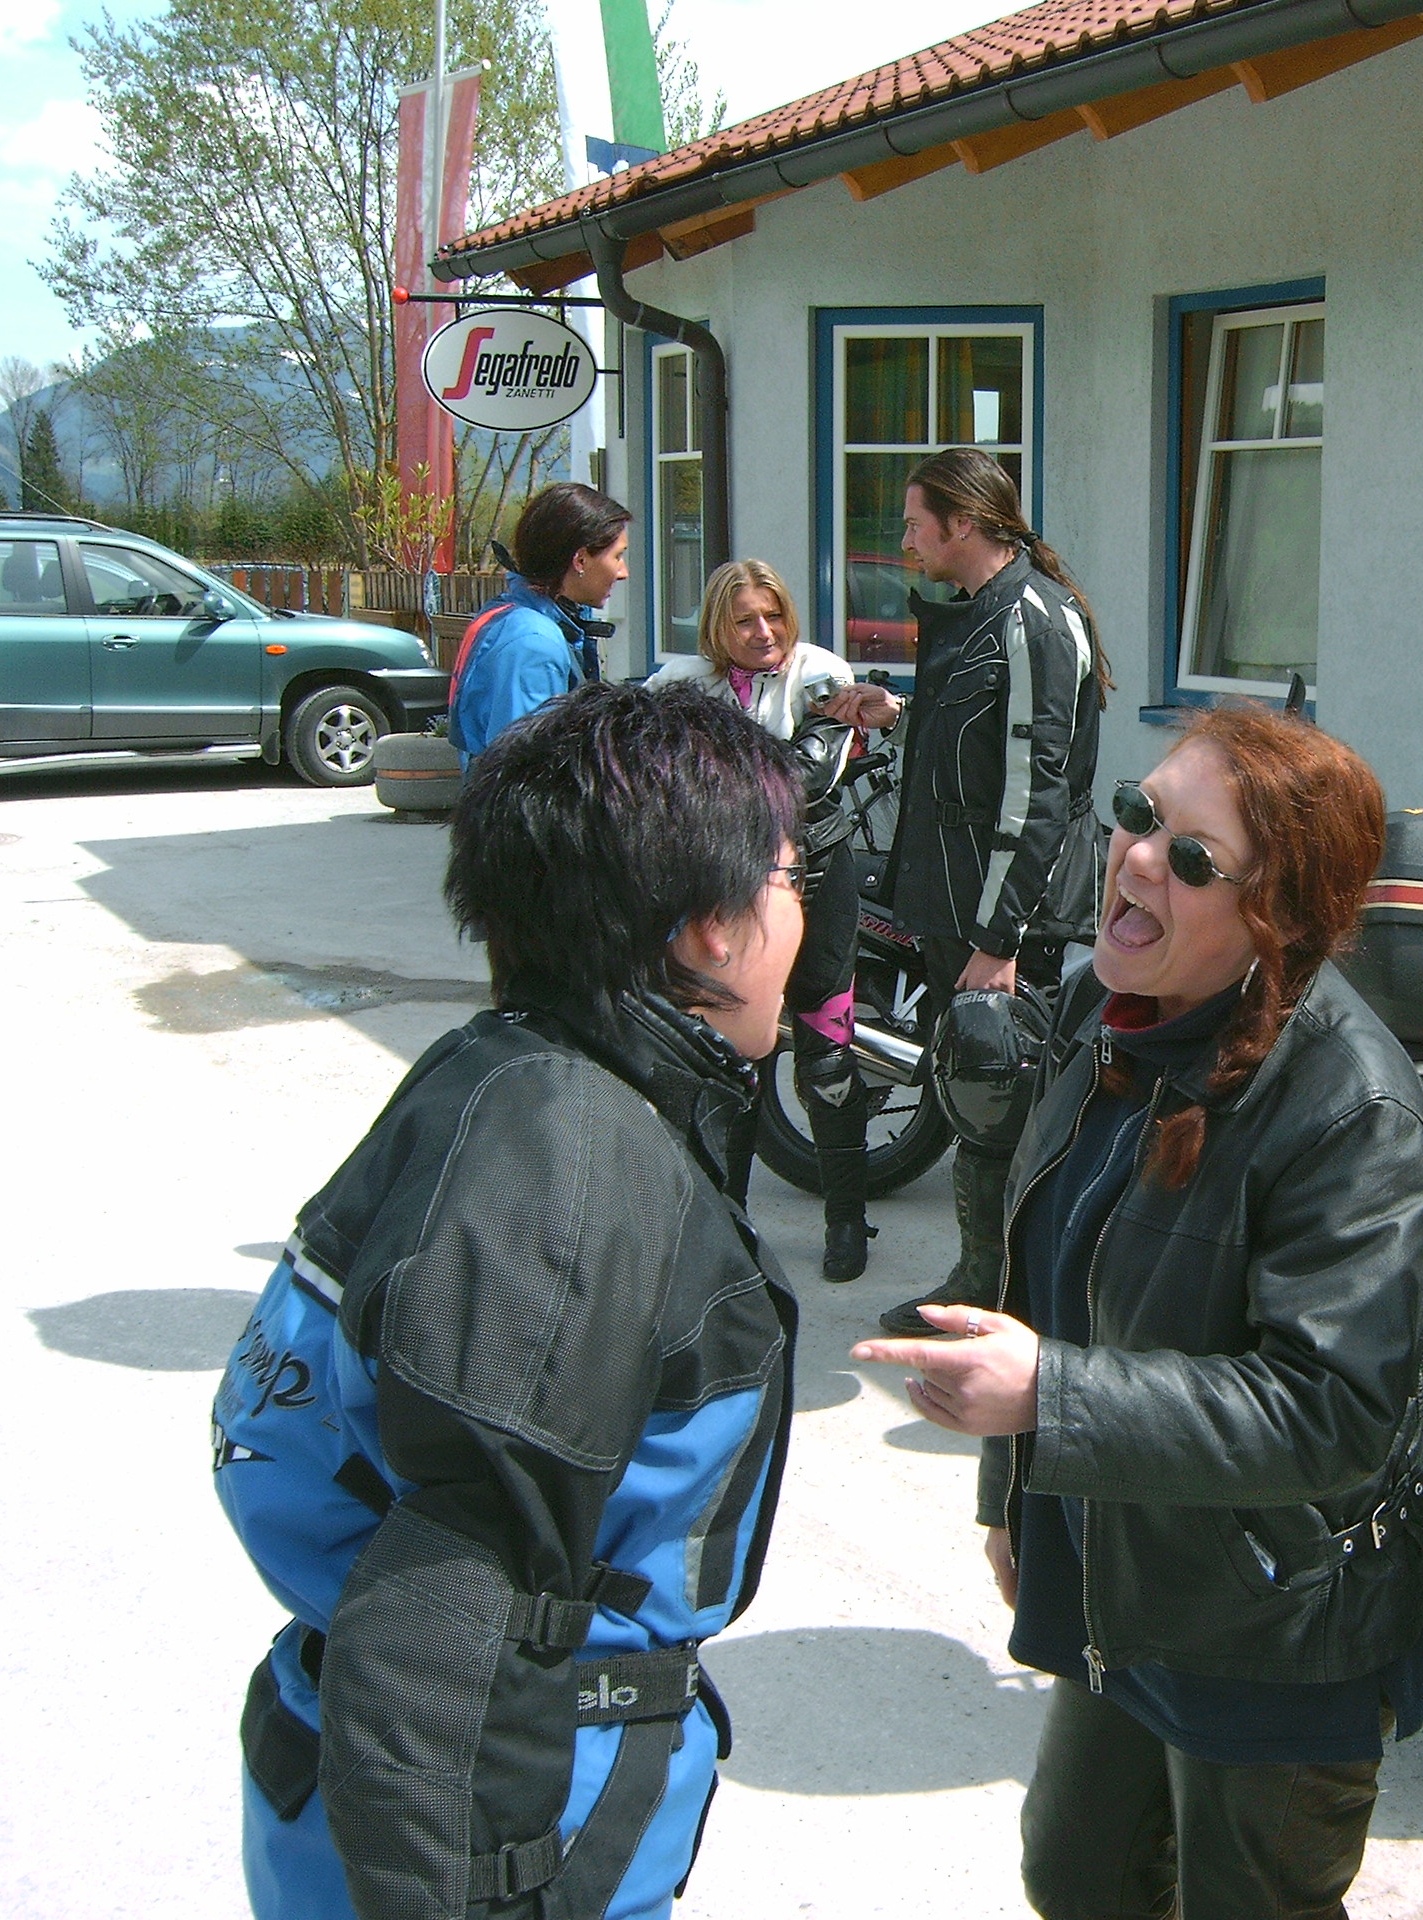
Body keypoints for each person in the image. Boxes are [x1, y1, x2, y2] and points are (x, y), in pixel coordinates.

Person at [853, 706, 1423, 1920]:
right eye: (1138, 814)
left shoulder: (1353, 1112)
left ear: (1275, 915)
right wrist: (1015, 1493)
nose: (1136, 856)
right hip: (1124, 1571)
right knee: (1077, 1877)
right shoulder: (1106, 1008)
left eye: (1192, 856)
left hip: (1276, 1615)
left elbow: (1332, 1409)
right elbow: (1045, 1272)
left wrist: (1049, 1398)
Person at [213, 680, 805, 1920]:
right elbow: (435, 1632)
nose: (805, 912)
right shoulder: (572, 1174)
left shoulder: (508, 1067)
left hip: (354, 1768)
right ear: (710, 926)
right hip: (502, 1812)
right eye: (789, 877)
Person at [876, 446, 1109, 1337]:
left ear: (963, 523)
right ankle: (988, 1284)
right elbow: (984, 744)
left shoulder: (1033, 621)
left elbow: (1037, 792)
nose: (906, 541)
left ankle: (996, 1296)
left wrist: (999, 939)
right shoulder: (984, 610)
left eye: (915, 524)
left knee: (1000, 1102)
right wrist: (899, 713)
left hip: (1006, 916)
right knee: (983, 1099)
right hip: (965, 905)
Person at [653, 557, 902, 1280]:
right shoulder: (680, 686)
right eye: (744, 620)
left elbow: (814, 770)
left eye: (773, 615)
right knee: (732, 1059)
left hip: (817, 883)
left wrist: (706, 773)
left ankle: (847, 1219)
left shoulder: (820, 673)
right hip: (727, 892)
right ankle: (726, 1222)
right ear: (716, 626)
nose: (763, 632)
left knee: (827, 1057)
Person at [449, 481, 631, 759]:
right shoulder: (533, 643)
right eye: (617, 556)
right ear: (580, 560)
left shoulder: (515, 615)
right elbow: (522, 769)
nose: (623, 572)